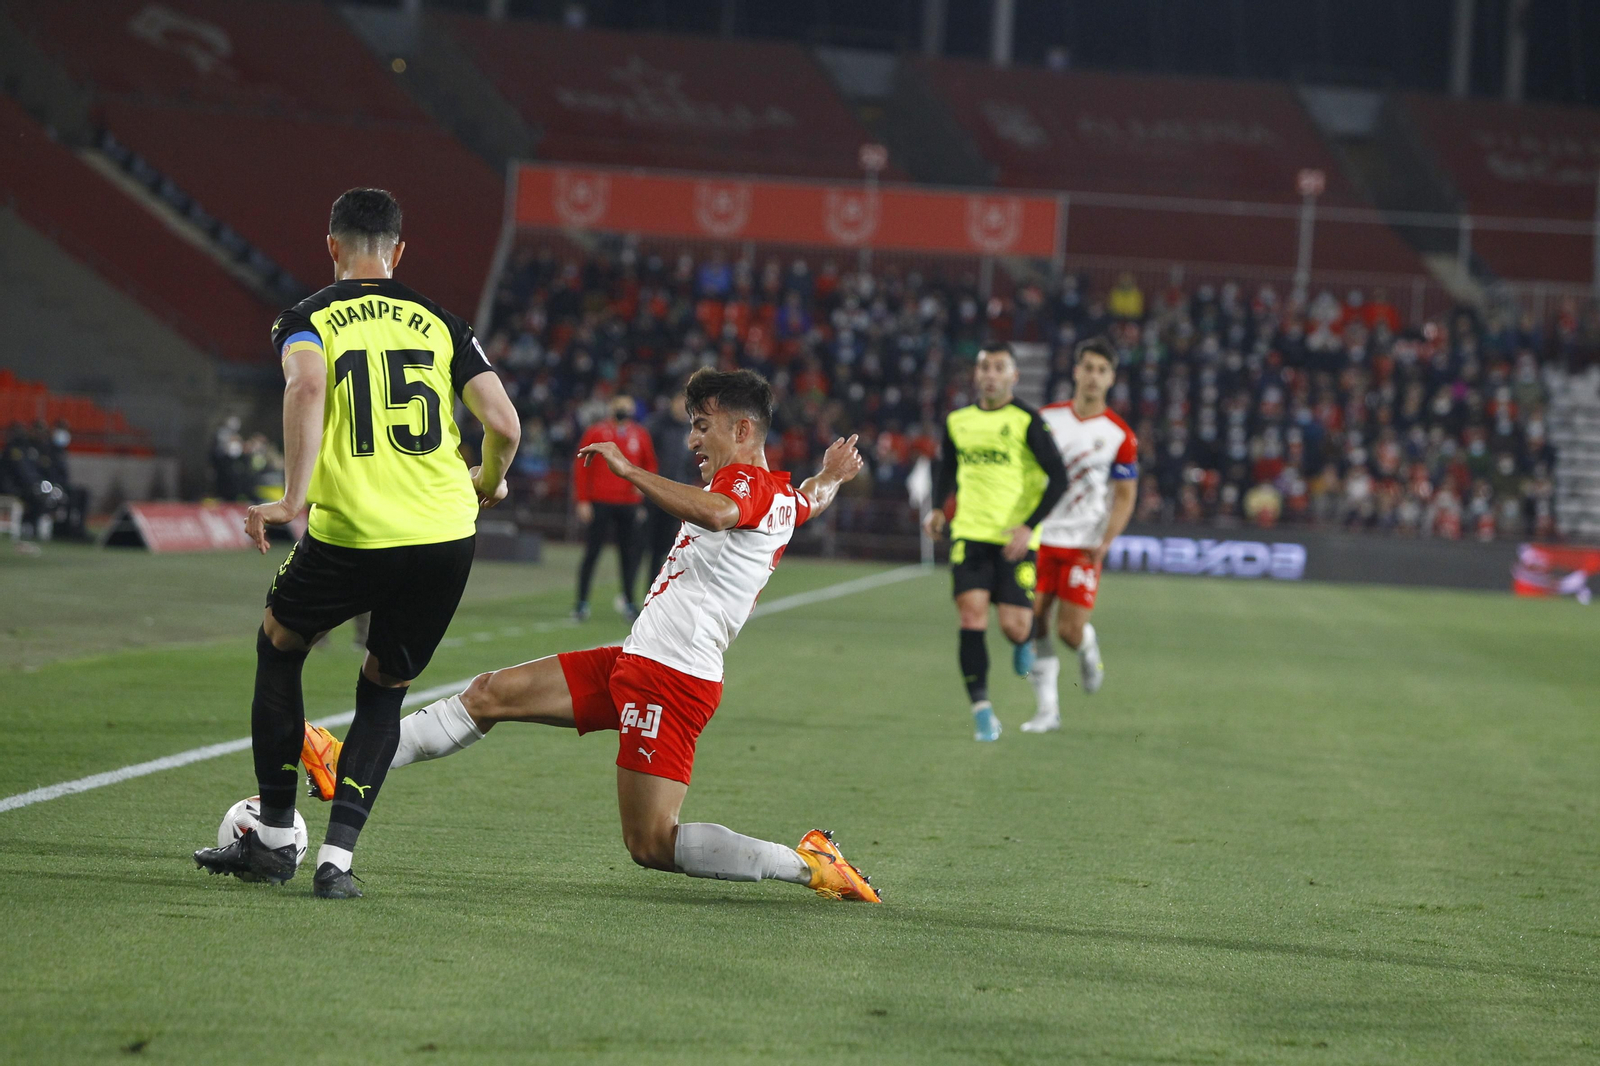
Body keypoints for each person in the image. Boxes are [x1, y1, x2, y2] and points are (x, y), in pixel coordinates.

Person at [305, 368, 882, 901]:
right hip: (639, 660)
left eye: (703, 426)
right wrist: (831, 474)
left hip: (671, 680)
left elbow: (718, 513)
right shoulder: (782, 497)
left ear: (743, 429)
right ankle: (347, 761)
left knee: (651, 843)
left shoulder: (746, 484)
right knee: (488, 694)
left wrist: (630, 472)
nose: (692, 440)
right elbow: (812, 497)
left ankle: (810, 865)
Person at [192, 188, 521, 898]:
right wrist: (488, 482)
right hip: (444, 533)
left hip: (354, 532)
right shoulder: (442, 322)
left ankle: (272, 836)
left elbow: (307, 387)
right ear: (398, 251)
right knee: (383, 689)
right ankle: (335, 863)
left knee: (280, 645)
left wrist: (291, 499)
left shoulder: (307, 318)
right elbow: (504, 422)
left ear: (332, 245)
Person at [923, 342, 1068, 742]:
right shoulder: (958, 421)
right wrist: (938, 509)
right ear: (976, 374)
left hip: (1014, 540)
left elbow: (1059, 479)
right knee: (971, 616)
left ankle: (1024, 640)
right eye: (984, 366)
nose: (990, 374)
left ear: (1013, 376)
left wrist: (1029, 527)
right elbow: (947, 468)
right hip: (970, 533)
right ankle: (982, 711)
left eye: (999, 367)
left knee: (1015, 626)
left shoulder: (1028, 421)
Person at [1022, 337, 1138, 733]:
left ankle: (1088, 648)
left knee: (1068, 632)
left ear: (1111, 379)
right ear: (1075, 371)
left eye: (1101, 370)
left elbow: (1125, 496)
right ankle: (1047, 710)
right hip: (1041, 538)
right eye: (1087, 367)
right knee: (1031, 621)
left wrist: (1106, 540)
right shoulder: (1045, 420)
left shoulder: (1120, 434)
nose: (1093, 376)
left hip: (1083, 544)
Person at [572, 394, 657, 622]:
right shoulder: (596, 432)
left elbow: (650, 464)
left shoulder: (640, 434)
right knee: (592, 552)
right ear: (611, 408)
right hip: (600, 500)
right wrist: (583, 499)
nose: (623, 410)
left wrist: (643, 486)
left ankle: (629, 602)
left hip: (628, 503)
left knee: (629, 555)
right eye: (620, 406)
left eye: (627, 407)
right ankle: (581, 603)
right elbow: (581, 466)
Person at [643, 392, 694, 578]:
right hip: (653, 494)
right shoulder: (656, 425)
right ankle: (629, 592)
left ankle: (654, 588)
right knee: (640, 545)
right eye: (680, 401)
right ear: (672, 401)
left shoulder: (691, 429)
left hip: (677, 497)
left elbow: (690, 464)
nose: (683, 407)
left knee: (666, 548)